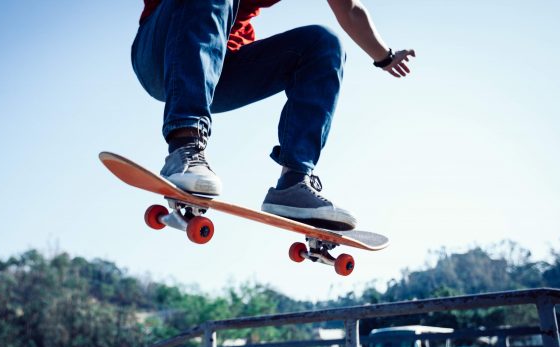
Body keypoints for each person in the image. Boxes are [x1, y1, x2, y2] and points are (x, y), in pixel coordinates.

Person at [131, 0, 415, 230]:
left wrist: (385, 57)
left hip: (221, 70)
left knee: (323, 43)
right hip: (161, 51)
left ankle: (294, 182)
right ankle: (185, 148)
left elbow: (350, 9)